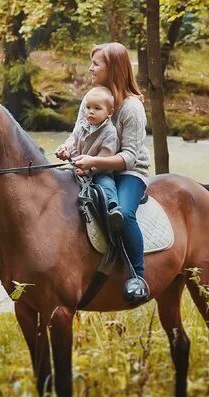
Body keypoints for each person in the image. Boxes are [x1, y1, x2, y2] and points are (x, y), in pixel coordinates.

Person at [55, 43, 151, 304]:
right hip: (91, 166)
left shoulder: (132, 108)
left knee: (125, 213)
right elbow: (77, 134)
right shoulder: (92, 98)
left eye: (96, 63)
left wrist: (93, 161)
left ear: (113, 68)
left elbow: (130, 158)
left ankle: (137, 277)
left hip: (128, 173)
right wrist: (67, 148)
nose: (91, 68)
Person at [55, 84, 123, 233]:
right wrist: (65, 150)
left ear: (110, 112)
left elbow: (105, 157)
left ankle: (113, 208)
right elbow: (73, 141)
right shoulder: (82, 125)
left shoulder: (110, 133)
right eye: (88, 107)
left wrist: (88, 170)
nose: (91, 112)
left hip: (98, 171)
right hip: (77, 168)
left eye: (97, 108)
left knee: (106, 184)